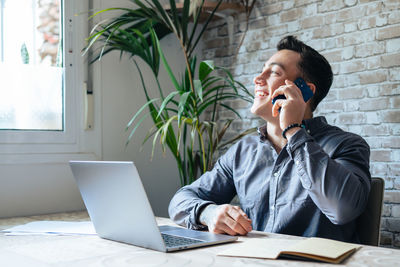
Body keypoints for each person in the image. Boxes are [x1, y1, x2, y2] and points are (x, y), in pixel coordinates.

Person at [168, 35, 371, 242]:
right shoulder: (243, 150)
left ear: (304, 91)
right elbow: (180, 200)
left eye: (273, 72)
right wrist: (208, 213)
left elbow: (342, 209)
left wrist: (293, 130)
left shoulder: (347, 145)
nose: (258, 78)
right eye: (262, 70)